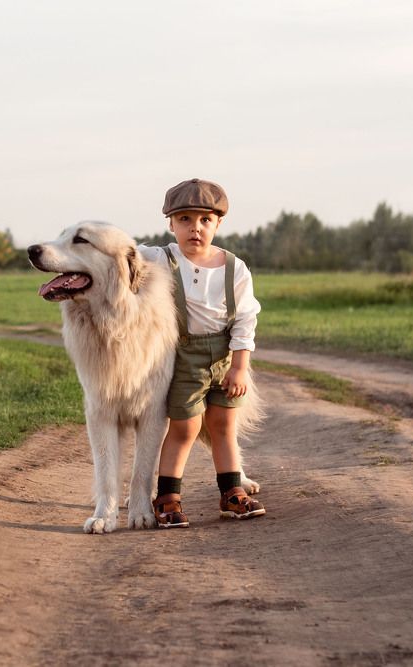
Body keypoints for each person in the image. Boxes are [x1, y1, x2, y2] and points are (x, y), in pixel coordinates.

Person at [138, 178, 265, 528]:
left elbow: (245, 319)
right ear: (171, 223)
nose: (195, 228)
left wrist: (240, 368)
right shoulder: (161, 258)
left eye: (205, 220)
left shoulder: (233, 267)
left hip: (223, 357)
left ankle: (231, 493)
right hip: (185, 358)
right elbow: (127, 257)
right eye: (185, 220)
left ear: (218, 223)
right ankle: (167, 498)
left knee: (224, 425)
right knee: (185, 427)